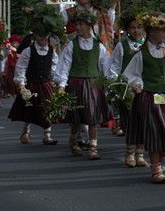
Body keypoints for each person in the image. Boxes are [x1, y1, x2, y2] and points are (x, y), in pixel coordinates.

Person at [123, 12, 165, 184]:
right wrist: (136, 83)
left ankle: (159, 164)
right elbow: (131, 74)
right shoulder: (140, 53)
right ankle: (156, 169)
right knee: (154, 133)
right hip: (149, 97)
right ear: (151, 32)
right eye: (161, 30)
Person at [54, 9, 112, 160]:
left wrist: (111, 84)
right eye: (76, 24)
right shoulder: (72, 45)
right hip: (76, 83)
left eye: (81, 24)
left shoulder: (99, 46)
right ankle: (74, 141)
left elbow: (105, 66)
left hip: (93, 84)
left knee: (92, 116)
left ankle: (93, 146)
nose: (78, 27)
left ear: (89, 25)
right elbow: (64, 66)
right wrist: (61, 85)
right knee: (76, 116)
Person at [8, 27, 60, 146]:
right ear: (35, 35)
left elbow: (55, 67)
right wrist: (21, 82)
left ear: (48, 36)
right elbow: (21, 67)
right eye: (39, 34)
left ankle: (47, 135)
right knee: (29, 108)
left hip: (46, 83)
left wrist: (55, 80)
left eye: (45, 34)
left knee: (48, 108)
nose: (42, 37)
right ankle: (26, 131)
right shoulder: (29, 50)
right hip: (32, 83)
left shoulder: (52, 51)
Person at [108, 10, 146, 165]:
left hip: (145, 89)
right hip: (128, 90)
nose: (136, 30)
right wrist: (117, 87)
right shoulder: (121, 46)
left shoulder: (149, 45)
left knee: (144, 121)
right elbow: (114, 68)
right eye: (132, 27)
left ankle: (140, 153)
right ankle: (129, 152)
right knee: (130, 123)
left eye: (138, 27)